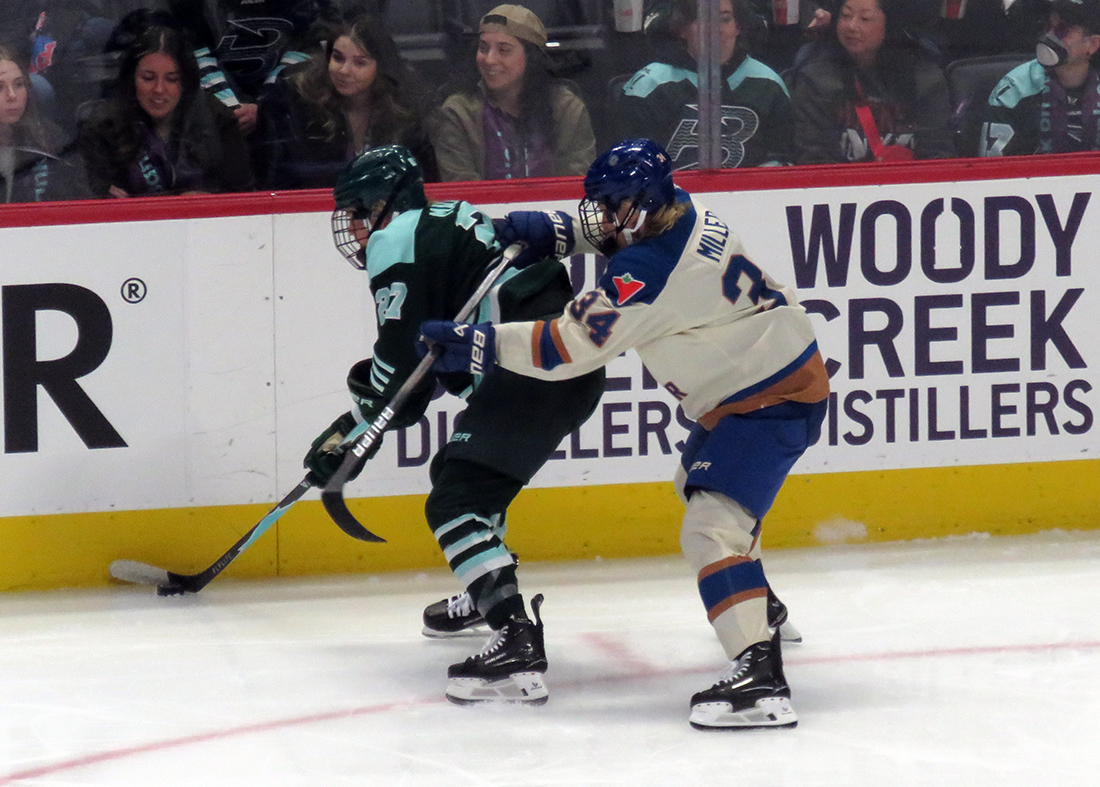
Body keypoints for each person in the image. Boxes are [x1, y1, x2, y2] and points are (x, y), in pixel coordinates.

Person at [418, 138, 829, 729]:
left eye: (614, 207)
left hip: (770, 403)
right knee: (699, 488)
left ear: (644, 202)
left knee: (712, 526)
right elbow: (623, 234)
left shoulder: (648, 273)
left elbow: (566, 348)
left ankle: (760, 676)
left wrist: (478, 343)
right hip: (762, 390)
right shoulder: (684, 210)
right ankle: (756, 605)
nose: (605, 219)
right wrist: (560, 231)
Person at [304, 145, 605, 704]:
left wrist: (352, 433)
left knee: (454, 499)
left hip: (532, 373)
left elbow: (399, 379)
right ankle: (484, 590)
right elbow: (420, 377)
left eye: (355, 211)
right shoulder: (447, 223)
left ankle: (515, 633)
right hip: (558, 366)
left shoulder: (397, 240)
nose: (351, 226)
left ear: (382, 204)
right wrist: (360, 425)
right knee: (464, 471)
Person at [253, 12, 437, 189]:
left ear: (382, 68)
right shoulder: (298, 104)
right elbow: (276, 180)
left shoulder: (404, 114)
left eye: (359, 63)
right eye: (338, 58)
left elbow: (427, 183)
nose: (344, 70)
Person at [76, 23, 254, 197]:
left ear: (185, 81)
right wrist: (104, 194)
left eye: (171, 79)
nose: (159, 89)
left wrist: (209, 199)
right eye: (148, 78)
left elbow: (243, 193)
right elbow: (90, 191)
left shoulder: (217, 118)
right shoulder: (103, 126)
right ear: (132, 78)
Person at [617, 0, 795, 169]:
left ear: (738, 27)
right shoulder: (649, 85)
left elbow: (783, 159)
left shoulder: (768, 84)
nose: (715, 29)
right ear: (682, 29)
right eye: (703, 18)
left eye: (725, 19)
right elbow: (632, 168)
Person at [430, 4, 597, 181]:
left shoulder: (567, 110)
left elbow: (576, 186)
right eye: (483, 48)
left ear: (531, 58)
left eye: (503, 50)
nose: (489, 59)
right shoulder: (458, 113)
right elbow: (461, 192)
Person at [790, 0, 954, 163]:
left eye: (865, 19)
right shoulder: (817, 78)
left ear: (891, 24)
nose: (851, 26)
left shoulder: (925, 80)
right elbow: (813, 156)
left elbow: (937, 153)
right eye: (845, 16)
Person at [979, 0, 1100, 156]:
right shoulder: (1015, 89)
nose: (1050, 35)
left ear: (1092, 44)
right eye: (1048, 25)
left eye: (1063, 30)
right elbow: (991, 169)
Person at [0, 43, 89, 202]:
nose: (12, 95)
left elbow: (76, 201)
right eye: (0, 88)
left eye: (19, 84)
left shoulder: (51, 140)